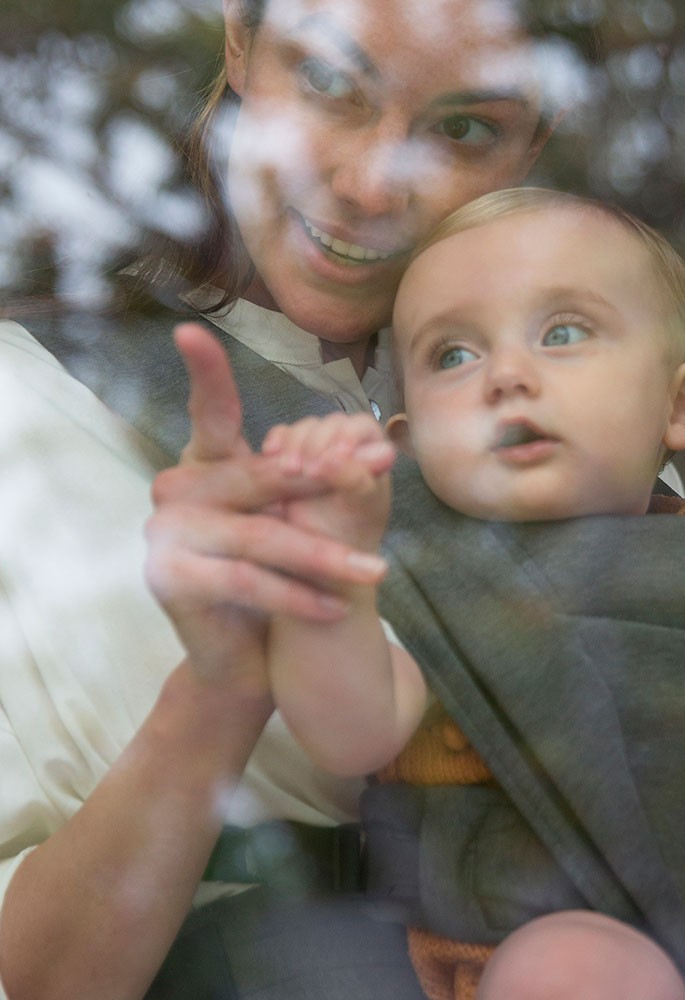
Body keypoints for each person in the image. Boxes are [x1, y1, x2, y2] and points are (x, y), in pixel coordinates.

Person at [147, 188, 685, 1000]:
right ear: (407, 448)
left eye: (561, 331)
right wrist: (331, 581)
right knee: (575, 973)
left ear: (681, 405)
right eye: (453, 354)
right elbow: (351, 728)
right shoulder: (433, 580)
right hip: (544, 944)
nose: (506, 375)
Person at [0, 3, 588, 999]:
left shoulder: (587, 417)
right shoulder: (26, 408)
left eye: (464, 128)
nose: (367, 185)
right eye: (328, 85)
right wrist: (219, 688)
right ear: (238, 36)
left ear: (534, 141)